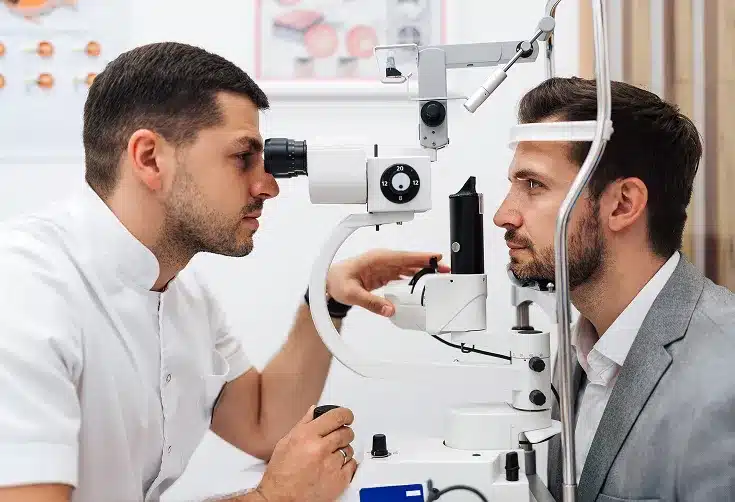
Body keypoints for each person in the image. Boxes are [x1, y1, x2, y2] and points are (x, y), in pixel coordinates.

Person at [0, 42, 449, 502]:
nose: (268, 186)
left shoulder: (182, 290)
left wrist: (327, 297)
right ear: (150, 158)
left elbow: (263, 423)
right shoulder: (24, 295)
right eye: (242, 158)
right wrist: (270, 498)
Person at [493, 76, 735, 501]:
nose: (503, 214)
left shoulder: (724, 374)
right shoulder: (579, 352)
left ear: (622, 204)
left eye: (534, 185)